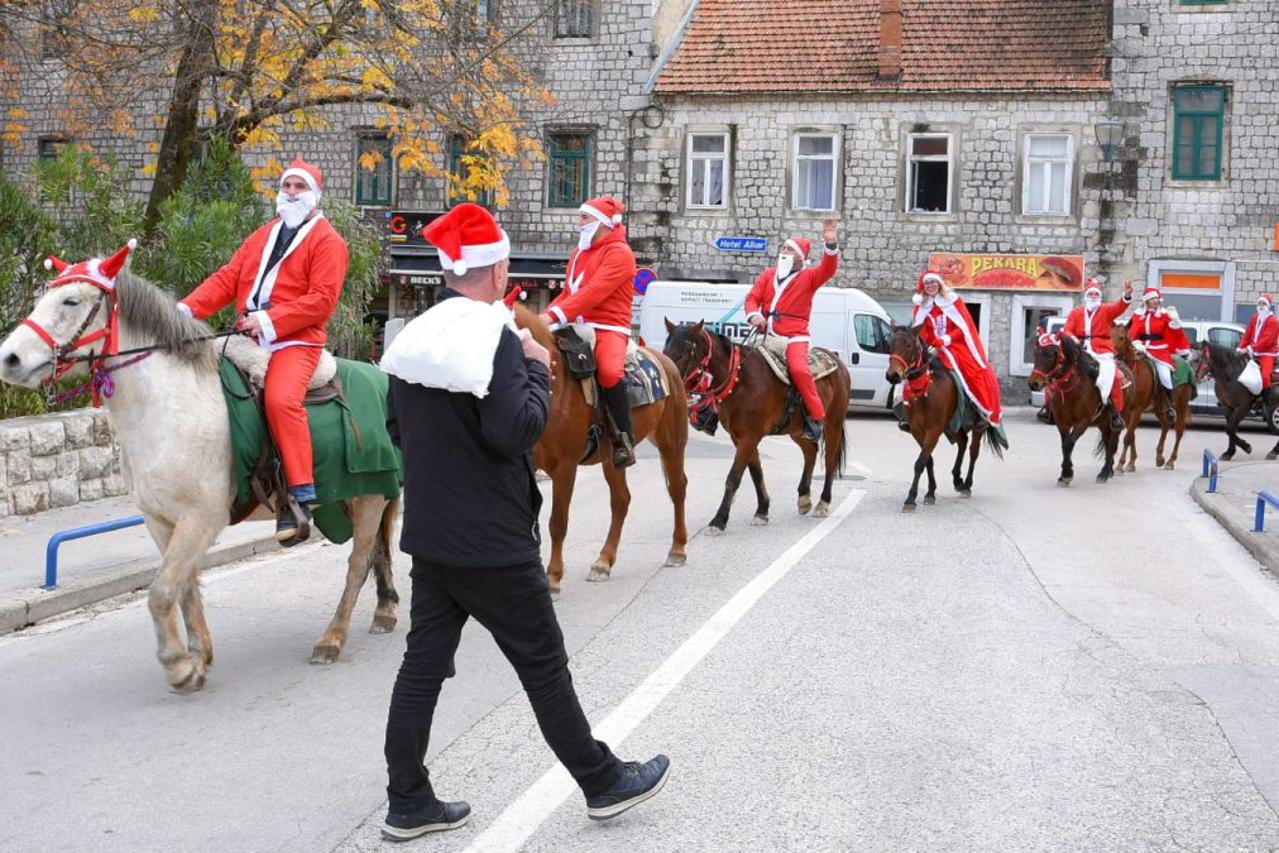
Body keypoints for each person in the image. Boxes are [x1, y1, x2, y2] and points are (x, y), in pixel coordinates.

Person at [377, 203, 669, 841]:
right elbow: (517, 432)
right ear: (497, 268)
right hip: (494, 543)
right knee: (544, 666)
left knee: (422, 667)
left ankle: (407, 801)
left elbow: (398, 427)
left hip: (432, 537)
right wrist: (537, 370)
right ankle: (602, 782)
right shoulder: (500, 342)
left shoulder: (412, 338)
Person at [178, 157, 346, 544]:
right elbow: (228, 278)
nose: (290, 193)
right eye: (286, 186)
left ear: (315, 196)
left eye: (299, 188)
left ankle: (299, 493)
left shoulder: (329, 242)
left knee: (281, 399)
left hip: (296, 340)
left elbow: (322, 301)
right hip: (248, 337)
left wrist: (268, 321)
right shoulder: (263, 235)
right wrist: (185, 311)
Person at [539, 196, 639, 468]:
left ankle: (623, 440)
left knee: (608, 371)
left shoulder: (620, 253)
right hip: (575, 323)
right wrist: (543, 319)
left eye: (584, 218)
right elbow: (569, 294)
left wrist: (553, 316)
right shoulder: (578, 253)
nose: (578, 223)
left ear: (602, 223)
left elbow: (593, 294)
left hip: (608, 327)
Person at [743, 219, 840, 443]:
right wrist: (754, 315)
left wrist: (831, 243)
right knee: (738, 361)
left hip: (795, 336)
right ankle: (710, 410)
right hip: (767, 334)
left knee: (799, 370)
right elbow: (752, 298)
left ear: (800, 257)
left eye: (789, 249)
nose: (784, 252)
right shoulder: (768, 275)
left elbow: (829, 268)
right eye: (783, 248)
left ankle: (815, 417)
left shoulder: (809, 276)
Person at [909, 270, 1006, 440]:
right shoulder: (920, 307)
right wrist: (931, 343)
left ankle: (979, 411)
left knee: (973, 371)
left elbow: (964, 327)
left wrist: (945, 339)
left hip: (955, 345)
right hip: (932, 347)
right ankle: (905, 410)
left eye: (933, 282)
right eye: (927, 284)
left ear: (939, 284)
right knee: (910, 369)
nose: (931, 286)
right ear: (923, 287)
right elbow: (921, 331)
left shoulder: (953, 301)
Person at [1061, 277, 1134, 431]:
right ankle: (1050, 407)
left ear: (1099, 296)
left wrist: (1126, 295)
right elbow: (1067, 329)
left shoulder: (1106, 310)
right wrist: (1073, 338)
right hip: (1080, 350)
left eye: (1096, 294)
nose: (1093, 296)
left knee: (1111, 374)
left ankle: (1114, 412)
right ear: (1086, 296)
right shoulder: (1076, 312)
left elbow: (1119, 307)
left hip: (1101, 351)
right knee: (1060, 369)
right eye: (1091, 294)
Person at [1127, 286, 1189, 421]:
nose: (1155, 301)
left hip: (1159, 350)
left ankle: (1168, 405)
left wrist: (1176, 322)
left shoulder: (1165, 314)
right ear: (1146, 301)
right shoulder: (1138, 315)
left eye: (1157, 299)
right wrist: (1136, 343)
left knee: (1165, 376)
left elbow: (1175, 332)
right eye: (1152, 299)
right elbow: (1132, 332)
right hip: (1141, 349)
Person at [1238, 292, 1279, 406]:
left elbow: (1266, 341)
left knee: (1265, 377)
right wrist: (1240, 347)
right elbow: (1247, 334)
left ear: (1268, 306)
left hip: (1267, 353)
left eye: (1263, 303)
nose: (1261, 305)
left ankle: (1266, 402)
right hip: (1253, 352)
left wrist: (1249, 348)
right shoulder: (1254, 318)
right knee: (1239, 370)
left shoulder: (1273, 321)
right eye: (1259, 303)